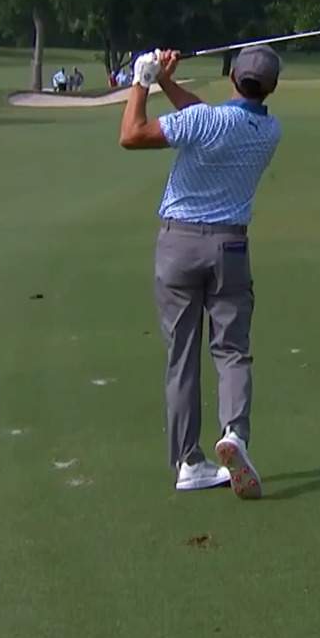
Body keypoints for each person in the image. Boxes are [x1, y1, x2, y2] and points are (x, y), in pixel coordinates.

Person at [118, 45, 284, 500]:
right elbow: (208, 120)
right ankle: (235, 435)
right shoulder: (270, 130)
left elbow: (131, 134)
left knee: (182, 356)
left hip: (178, 245)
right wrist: (168, 82)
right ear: (270, 87)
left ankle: (189, 462)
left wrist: (142, 80)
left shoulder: (205, 123)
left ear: (231, 76)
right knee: (232, 350)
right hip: (230, 246)